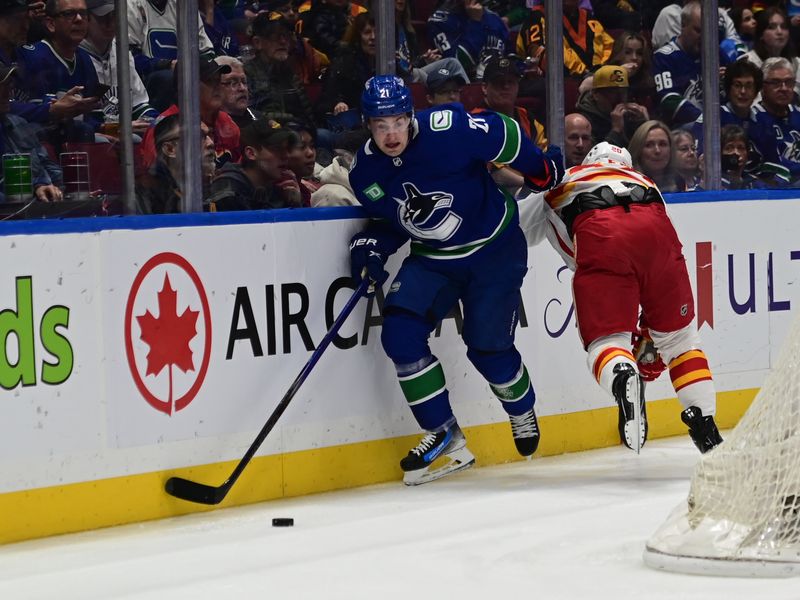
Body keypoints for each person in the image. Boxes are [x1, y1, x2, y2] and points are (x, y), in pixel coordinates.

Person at [347, 75, 564, 485]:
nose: (391, 134)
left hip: (494, 251)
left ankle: (521, 410)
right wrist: (374, 243)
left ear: (410, 116)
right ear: (367, 124)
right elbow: (395, 219)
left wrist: (539, 168)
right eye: (380, 125)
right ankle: (444, 434)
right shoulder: (365, 172)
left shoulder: (448, 128)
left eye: (397, 121)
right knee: (399, 334)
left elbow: (507, 135)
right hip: (433, 260)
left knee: (487, 348)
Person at [518, 141, 724, 454]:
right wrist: (649, 331)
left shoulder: (565, 178)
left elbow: (512, 228)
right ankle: (706, 427)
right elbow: (645, 243)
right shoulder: (644, 180)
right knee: (681, 342)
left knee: (607, 342)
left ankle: (621, 376)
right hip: (658, 234)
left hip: (603, 236)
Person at [12, 0, 103, 143]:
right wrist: (52, 111)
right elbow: (19, 113)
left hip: (77, 138)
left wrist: (103, 128)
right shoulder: (31, 57)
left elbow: (91, 116)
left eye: (83, 14)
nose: (79, 19)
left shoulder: (85, 59)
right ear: (50, 24)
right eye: (69, 14)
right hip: (39, 142)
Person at [140, 56, 241, 171]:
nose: (218, 87)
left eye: (218, 81)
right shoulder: (164, 129)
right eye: (209, 81)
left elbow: (239, 169)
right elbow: (157, 181)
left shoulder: (225, 121)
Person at [80, 0, 158, 137]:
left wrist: (158, 122)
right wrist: (119, 128)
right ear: (86, 19)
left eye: (114, 16)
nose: (110, 23)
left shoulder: (121, 51)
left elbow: (139, 104)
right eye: (102, 18)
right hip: (95, 135)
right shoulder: (75, 54)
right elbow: (82, 121)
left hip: (124, 132)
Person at [652, 1, 733, 128]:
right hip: (681, 129)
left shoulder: (717, 54)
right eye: (699, 30)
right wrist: (704, 120)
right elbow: (668, 100)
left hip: (718, 125)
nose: (705, 37)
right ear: (683, 25)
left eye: (710, 31)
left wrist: (729, 81)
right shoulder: (664, 57)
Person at [207, 118, 302, 210]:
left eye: (287, 149)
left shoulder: (281, 190)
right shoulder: (228, 191)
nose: (286, 156)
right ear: (251, 153)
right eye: (277, 149)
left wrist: (295, 206)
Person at [0, 63, 63, 203]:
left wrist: (60, 189)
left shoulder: (19, 124)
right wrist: (35, 187)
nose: (7, 93)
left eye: (8, 86)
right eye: (1, 87)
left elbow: (48, 166)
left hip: (40, 207)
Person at [135, 115, 217, 213]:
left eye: (210, 135)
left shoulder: (218, 189)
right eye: (198, 137)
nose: (210, 143)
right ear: (170, 149)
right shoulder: (143, 199)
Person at [749, 56, 800, 186]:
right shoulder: (753, 119)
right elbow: (769, 166)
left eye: (789, 82)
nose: (784, 88)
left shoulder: (798, 114)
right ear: (761, 86)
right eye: (776, 83)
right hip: (777, 188)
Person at [427, 0, 507, 80]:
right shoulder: (440, 20)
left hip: (502, 78)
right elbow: (459, 63)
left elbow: (511, 55)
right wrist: (476, 22)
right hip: (466, 84)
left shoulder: (494, 19)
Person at [576, 64, 649, 149]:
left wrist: (643, 124)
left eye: (623, 92)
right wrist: (616, 131)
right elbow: (597, 158)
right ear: (596, 94)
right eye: (612, 92)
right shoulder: (584, 121)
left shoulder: (628, 115)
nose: (619, 98)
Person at [744, 7, 800, 97]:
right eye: (772, 27)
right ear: (761, 34)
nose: (779, 32)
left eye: (784, 27)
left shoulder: (797, 63)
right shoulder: (747, 63)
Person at [628, 119, 680, 192]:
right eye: (649, 145)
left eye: (662, 144)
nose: (657, 151)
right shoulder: (627, 188)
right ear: (638, 150)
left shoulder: (681, 183)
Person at [216, 55, 263, 129]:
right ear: (215, 87)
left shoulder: (260, 119)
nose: (242, 88)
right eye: (233, 83)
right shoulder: (211, 128)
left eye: (244, 81)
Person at [719, 123, 765, 190]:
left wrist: (737, 179)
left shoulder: (755, 185)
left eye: (740, 148)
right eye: (729, 148)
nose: (736, 153)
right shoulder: (710, 183)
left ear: (747, 154)